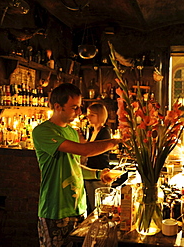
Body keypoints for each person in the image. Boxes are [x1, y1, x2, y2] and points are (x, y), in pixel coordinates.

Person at [32, 83, 122, 247]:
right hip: (55, 208)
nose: (79, 112)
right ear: (58, 107)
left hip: (78, 207)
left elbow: (74, 166)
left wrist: (98, 174)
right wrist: (116, 141)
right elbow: (84, 150)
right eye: (74, 107)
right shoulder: (42, 131)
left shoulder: (72, 132)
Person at [83, 102, 112, 214]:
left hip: (100, 173)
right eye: (88, 115)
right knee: (91, 207)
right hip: (90, 172)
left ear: (100, 116)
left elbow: (95, 151)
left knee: (100, 208)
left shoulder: (105, 131)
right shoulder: (92, 131)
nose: (88, 118)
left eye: (92, 115)